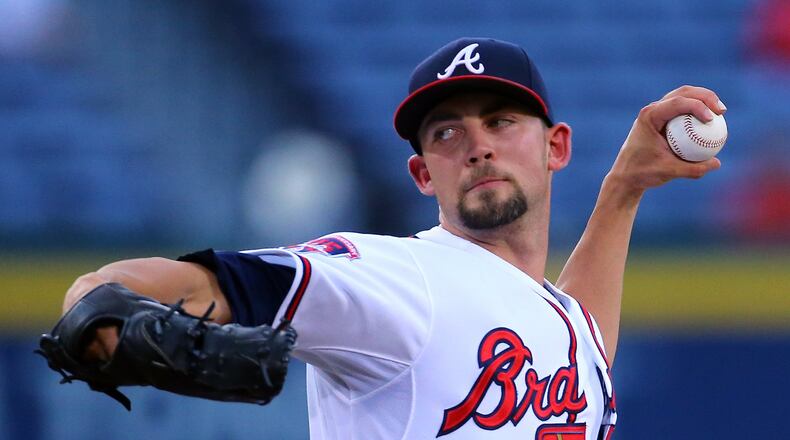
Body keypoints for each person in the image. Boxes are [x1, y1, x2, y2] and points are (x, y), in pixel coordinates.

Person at [55, 37, 725, 439]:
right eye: (446, 132)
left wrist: (623, 191)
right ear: (422, 173)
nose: (478, 146)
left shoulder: (553, 317)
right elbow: (121, 294)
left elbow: (579, 346)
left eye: (501, 121)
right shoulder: (394, 278)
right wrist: (99, 302)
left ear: (556, 146)